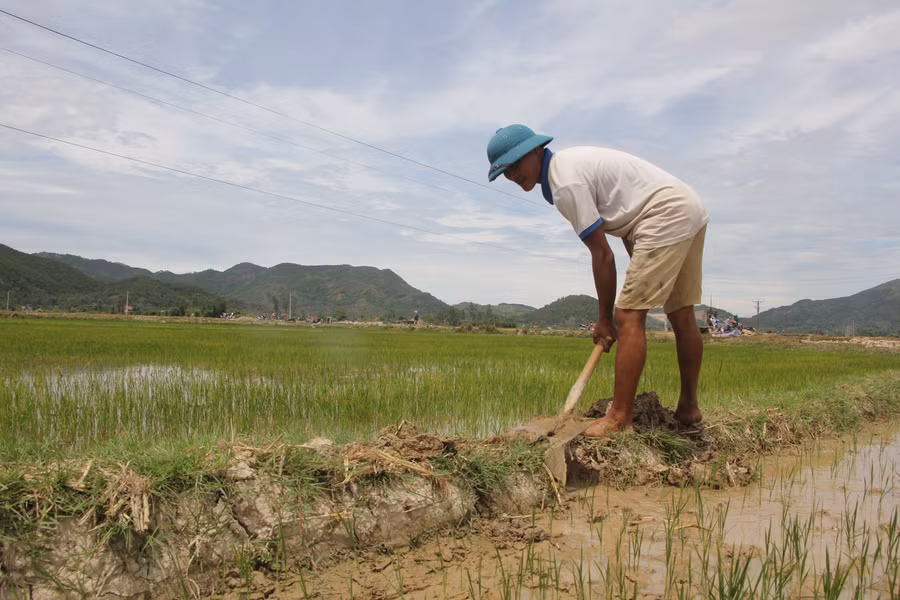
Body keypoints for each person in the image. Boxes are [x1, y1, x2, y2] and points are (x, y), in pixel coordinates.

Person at [486, 124, 709, 436]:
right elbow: (629, 223)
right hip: (687, 208)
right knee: (681, 311)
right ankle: (688, 409)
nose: (512, 175)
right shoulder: (569, 167)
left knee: (628, 315)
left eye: (516, 164)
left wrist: (606, 320)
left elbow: (602, 254)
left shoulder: (564, 184)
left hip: (664, 214)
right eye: (505, 172)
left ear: (536, 150)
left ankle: (619, 417)